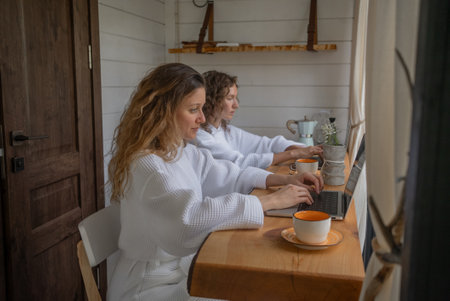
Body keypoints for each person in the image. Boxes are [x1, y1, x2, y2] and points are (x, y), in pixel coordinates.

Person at [107, 63, 323, 301]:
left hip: (180, 272)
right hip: (148, 286)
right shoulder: (146, 164)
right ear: (164, 111)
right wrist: (268, 202)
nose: (202, 118)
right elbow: (186, 221)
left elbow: (231, 174)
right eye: (193, 109)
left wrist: (286, 179)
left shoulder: (178, 151)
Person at [192, 70, 323, 169]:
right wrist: (294, 154)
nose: (236, 105)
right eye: (230, 98)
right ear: (212, 100)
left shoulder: (225, 130)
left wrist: (309, 150)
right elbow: (240, 162)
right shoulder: (200, 137)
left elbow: (266, 144)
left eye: (235, 98)